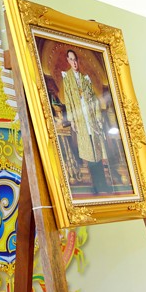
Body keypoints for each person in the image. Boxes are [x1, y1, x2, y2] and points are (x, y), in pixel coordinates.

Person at [61, 49, 109, 194]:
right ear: (68, 61)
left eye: (75, 59)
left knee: (97, 150)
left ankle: (103, 185)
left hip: (91, 118)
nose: (74, 62)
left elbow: (94, 100)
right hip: (80, 120)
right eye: (71, 59)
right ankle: (95, 186)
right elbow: (68, 100)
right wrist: (72, 120)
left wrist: (98, 118)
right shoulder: (67, 78)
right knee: (88, 151)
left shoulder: (85, 78)